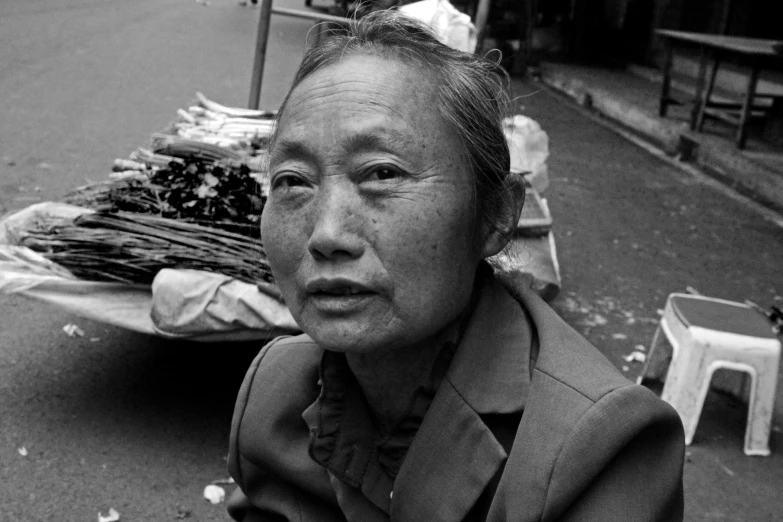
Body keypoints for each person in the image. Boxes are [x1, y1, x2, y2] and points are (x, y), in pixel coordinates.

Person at [227, 10, 685, 522]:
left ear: (494, 217)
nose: (327, 234)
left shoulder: (597, 446)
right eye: (293, 181)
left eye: (382, 173)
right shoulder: (273, 392)